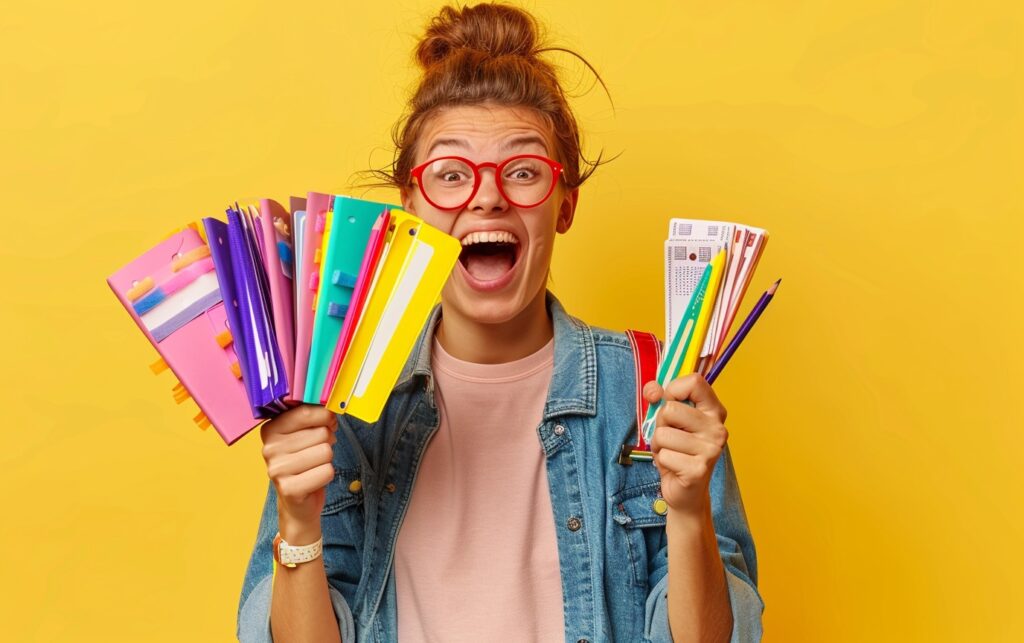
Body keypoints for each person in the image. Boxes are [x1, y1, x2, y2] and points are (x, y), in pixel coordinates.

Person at [237, 3, 762, 641]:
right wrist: (298, 524)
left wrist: (687, 516)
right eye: (450, 175)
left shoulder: (655, 391)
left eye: (523, 171)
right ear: (410, 208)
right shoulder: (342, 397)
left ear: (564, 205)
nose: (487, 196)